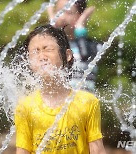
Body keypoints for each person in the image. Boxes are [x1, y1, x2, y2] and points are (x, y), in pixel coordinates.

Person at [14, 24, 106, 154]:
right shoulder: (25, 106)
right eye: (35, 51)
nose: (42, 57)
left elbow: (97, 150)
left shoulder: (87, 102)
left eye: (48, 49)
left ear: (67, 55)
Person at [47, 0, 102, 92]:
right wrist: (51, 27)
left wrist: (80, 29)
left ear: (80, 16)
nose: (62, 17)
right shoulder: (53, 45)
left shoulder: (94, 46)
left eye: (68, 12)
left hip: (82, 101)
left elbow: (85, 57)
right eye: (59, 12)